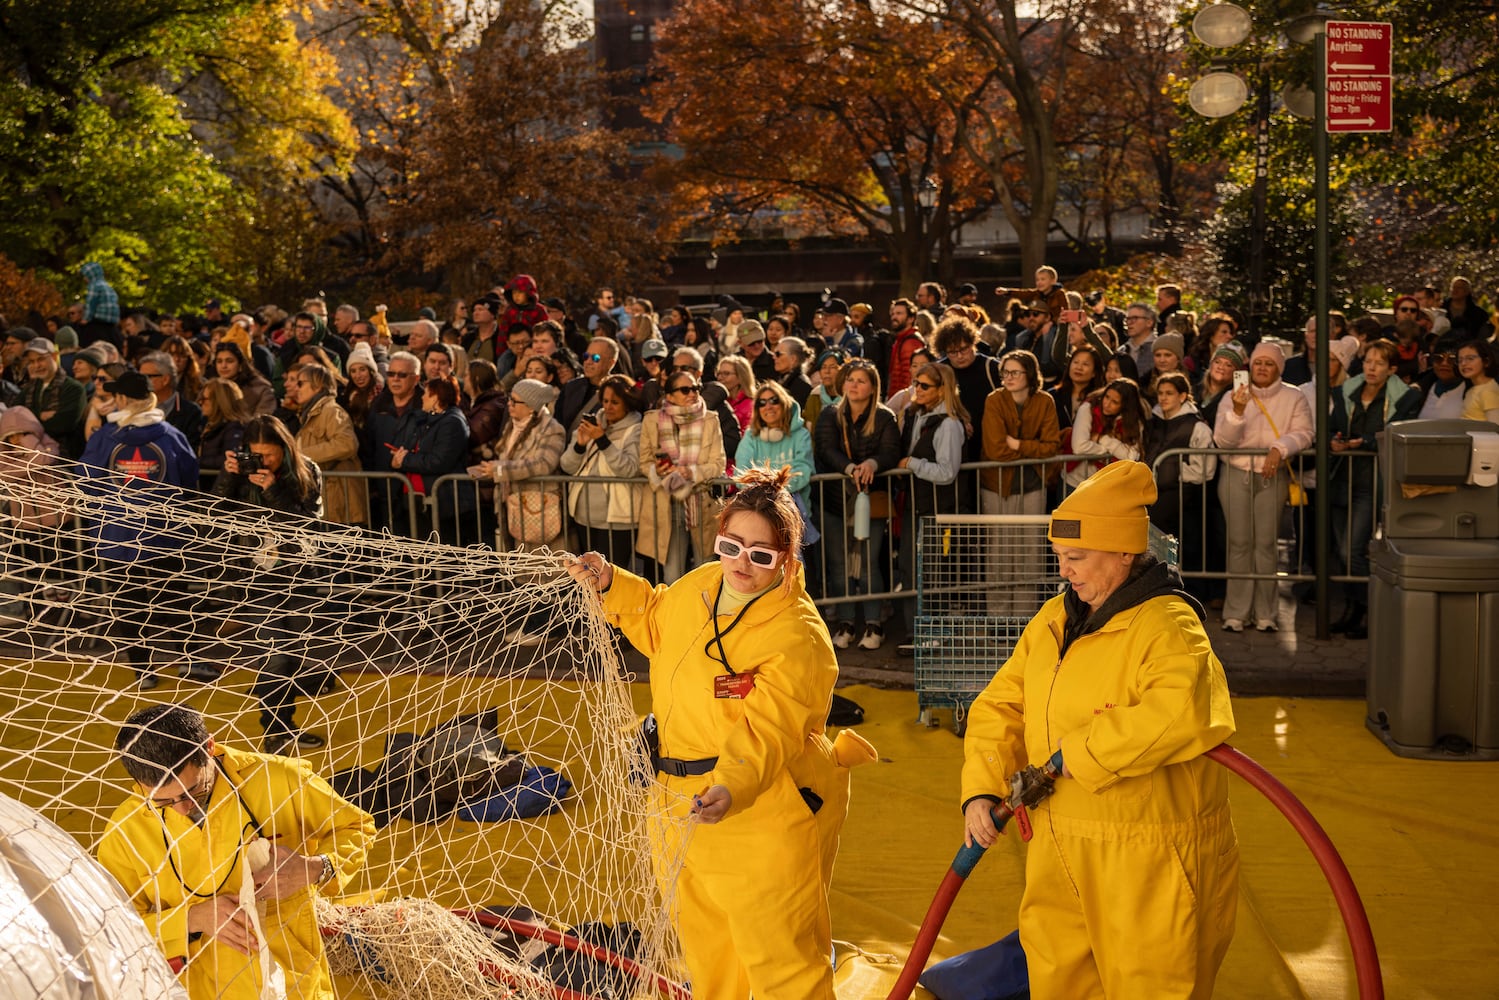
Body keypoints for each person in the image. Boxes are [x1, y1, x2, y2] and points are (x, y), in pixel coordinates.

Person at [565, 468, 876, 1000]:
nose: (740, 565)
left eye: (760, 555)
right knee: (706, 952)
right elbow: (657, 617)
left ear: (788, 558)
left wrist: (732, 786)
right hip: (678, 804)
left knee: (781, 959)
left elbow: (772, 731)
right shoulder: (702, 584)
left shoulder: (799, 637)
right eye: (730, 545)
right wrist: (613, 583)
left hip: (764, 811)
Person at [961, 460, 1237, 1000]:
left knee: (1151, 986)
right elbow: (1000, 705)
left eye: (1077, 557)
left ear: (1125, 551)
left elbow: (1181, 709)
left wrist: (1073, 755)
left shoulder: (1169, 626)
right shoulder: (1053, 620)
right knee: (1058, 980)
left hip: (1147, 859)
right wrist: (981, 788)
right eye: (1060, 557)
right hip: (1058, 846)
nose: (1065, 570)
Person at [96, 704, 375, 1000]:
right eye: (164, 802)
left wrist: (317, 866)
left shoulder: (279, 778)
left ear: (209, 748)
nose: (182, 807)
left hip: (293, 978)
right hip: (200, 988)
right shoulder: (124, 830)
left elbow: (357, 826)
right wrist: (192, 919)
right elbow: (112, 927)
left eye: (194, 792)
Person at [1213, 342, 1314, 632]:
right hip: (1236, 474)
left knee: (1267, 544)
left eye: (1269, 363)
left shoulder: (1294, 396)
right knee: (1240, 543)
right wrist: (1237, 411)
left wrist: (1279, 448)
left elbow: (1305, 432)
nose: (1262, 368)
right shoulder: (1234, 395)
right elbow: (1224, 442)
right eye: (1258, 363)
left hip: (1273, 474)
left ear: (1279, 368)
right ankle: (1236, 612)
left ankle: (1266, 613)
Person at [1327, 340, 1420, 638]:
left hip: (1372, 482)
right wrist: (1334, 440)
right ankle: (1352, 610)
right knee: (1343, 554)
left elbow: (1393, 432)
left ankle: (1365, 611)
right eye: (1368, 361)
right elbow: (1331, 427)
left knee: (1352, 550)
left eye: (1379, 363)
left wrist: (1363, 443)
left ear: (1391, 369)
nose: (1371, 367)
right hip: (1342, 479)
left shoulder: (1403, 398)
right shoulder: (1346, 392)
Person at [813, 359, 900, 649]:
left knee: (868, 562)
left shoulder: (886, 417)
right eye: (850, 379)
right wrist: (850, 467)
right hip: (835, 500)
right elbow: (825, 449)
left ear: (873, 387)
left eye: (861, 380)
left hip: (870, 500)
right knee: (839, 564)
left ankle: (874, 624)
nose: (853, 385)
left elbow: (891, 451)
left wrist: (873, 463)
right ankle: (847, 622)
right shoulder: (830, 415)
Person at [893, 362, 967, 641]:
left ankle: (933, 630)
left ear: (941, 389)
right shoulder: (915, 415)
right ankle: (915, 630)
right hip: (915, 504)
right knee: (911, 569)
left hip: (938, 508)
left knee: (932, 571)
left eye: (924, 385)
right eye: (915, 383)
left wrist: (913, 463)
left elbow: (947, 473)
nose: (917, 390)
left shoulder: (949, 424)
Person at [638, 369, 727, 583]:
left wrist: (692, 472)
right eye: (685, 389)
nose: (693, 393)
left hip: (702, 504)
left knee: (705, 572)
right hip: (667, 505)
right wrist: (656, 471)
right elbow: (644, 461)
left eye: (696, 388)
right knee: (673, 576)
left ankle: (704, 616)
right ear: (669, 396)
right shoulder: (652, 420)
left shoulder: (710, 420)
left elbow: (719, 463)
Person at [473, 377, 566, 553]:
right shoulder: (513, 425)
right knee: (518, 564)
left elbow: (544, 463)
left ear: (531, 406)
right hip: (512, 505)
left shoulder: (552, 428)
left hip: (539, 508)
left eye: (515, 401)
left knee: (543, 567)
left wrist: (500, 470)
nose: (510, 404)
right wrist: (491, 468)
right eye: (510, 398)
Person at [561, 374, 644, 566]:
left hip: (618, 520)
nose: (608, 407)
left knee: (612, 576)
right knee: (589, 576)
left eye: (615, 402)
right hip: (583, 516)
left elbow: (629, 469)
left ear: (627, 402)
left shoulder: (636, 429)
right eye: (605, 401)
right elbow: (567, 466)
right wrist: (580, 446)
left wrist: (602, 440)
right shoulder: (592, 424)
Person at [292, 365, 365, 526]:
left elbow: (347, 444)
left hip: (339, 500)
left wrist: (301, 455)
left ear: (317, 386)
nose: (295, 388)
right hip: (327, 500)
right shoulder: (309, 413)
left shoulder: (331, 411)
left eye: (300, 383)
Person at [1066, 378, 1149, 489]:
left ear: (1125, 406)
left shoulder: (1132, 420)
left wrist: (1102, 439)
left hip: (1109, 484)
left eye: (1114, 402)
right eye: (1107, 397)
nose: (1107, 404)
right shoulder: (1088, 408)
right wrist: (1106, 453)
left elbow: (1131, 456)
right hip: (1077, 481)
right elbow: (1079, 447)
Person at [1458, 340, 1499, 422]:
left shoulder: (1488, 391)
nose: (1463, 363)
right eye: (1460, 360)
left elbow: (1495, 429)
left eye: (1470, 358)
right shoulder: (1471, 390)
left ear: (1486, 361)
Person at [715, 354, 756, 431]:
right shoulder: (720, 402)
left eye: (726, 374)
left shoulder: (750, 406)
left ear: (740, 377)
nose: (720, 378)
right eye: (718, 373)